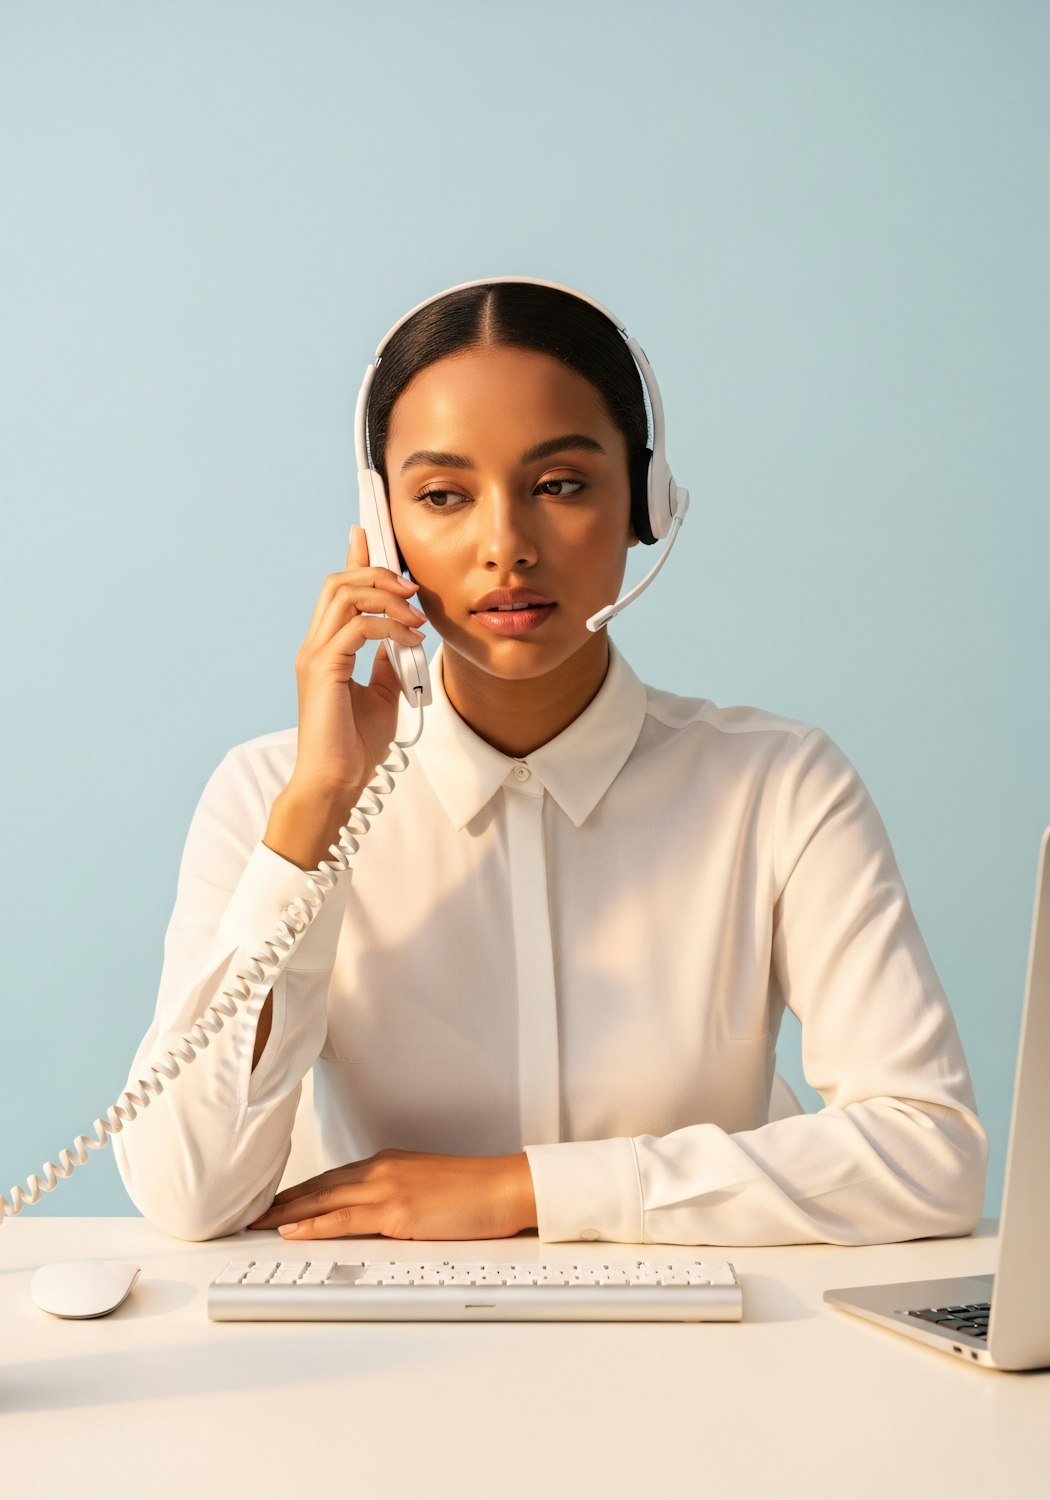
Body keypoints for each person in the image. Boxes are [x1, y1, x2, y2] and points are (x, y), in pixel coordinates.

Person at [113, 280, 988, 1246]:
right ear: (384, 520)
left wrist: (527, 1191)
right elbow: (188, 1196)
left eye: (560, 485)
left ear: (646, 501)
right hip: (379, 1331)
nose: (506, 547)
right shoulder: (270, 794)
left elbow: (931, 1155)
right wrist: (315, 812)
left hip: (702, 1332)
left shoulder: (780, 787)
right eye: (443, 497)